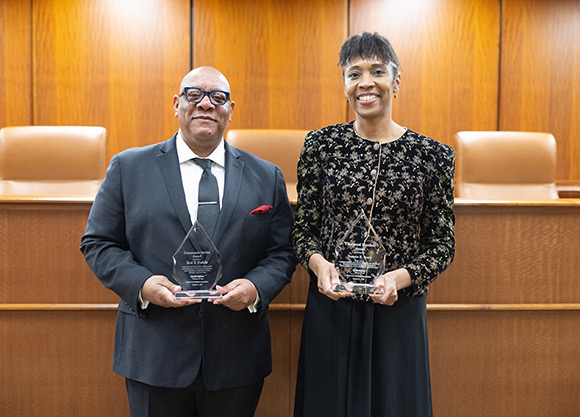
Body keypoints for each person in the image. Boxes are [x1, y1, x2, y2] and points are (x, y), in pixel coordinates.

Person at [80, 66, 297, 417]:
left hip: (236, 356)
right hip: (154, 352)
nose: (205, 104)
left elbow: (282, 251)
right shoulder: (128, 167)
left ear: (230, 109)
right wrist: (144, 284)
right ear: (177, 104)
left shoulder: (266, 175)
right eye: (194, 95)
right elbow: (98, 243)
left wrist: (256, 288)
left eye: (218, 97)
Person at [292, 32, 455, 417]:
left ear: (396, 82)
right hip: (332, 306)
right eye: (354, 74)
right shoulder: (321, 145)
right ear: (345, 86)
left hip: (397, 310)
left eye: (377, 71)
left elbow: (442, 243)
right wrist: (319, 265)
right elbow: (302, 229)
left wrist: (401, 277)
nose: (365, 82)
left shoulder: (432, 155)